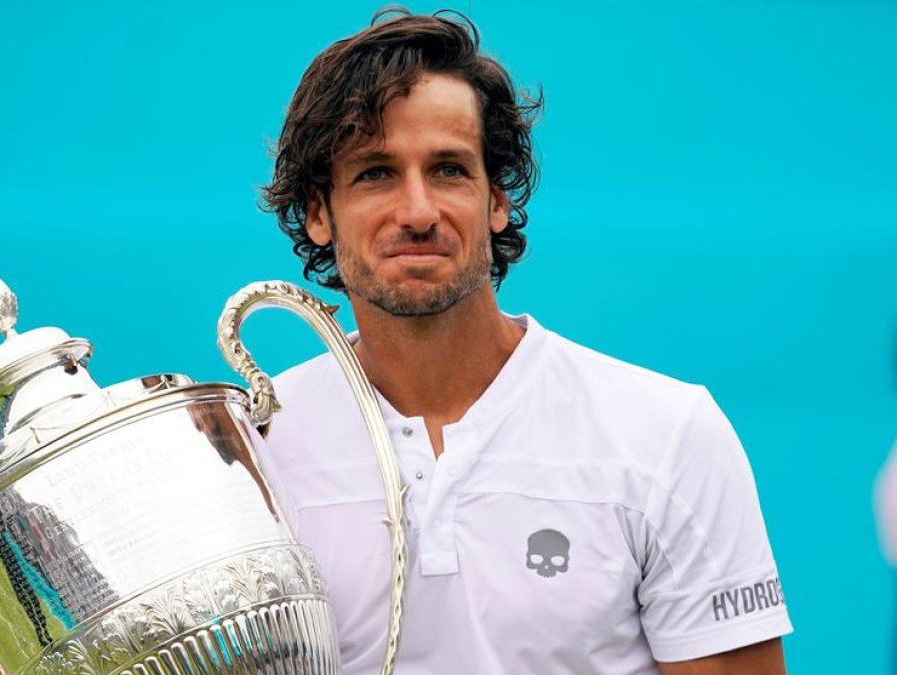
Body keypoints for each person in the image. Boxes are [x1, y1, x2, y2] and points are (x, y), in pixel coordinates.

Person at [257, 9, 792, 674]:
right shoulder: (252, 453)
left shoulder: (668, 433)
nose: (418, 211)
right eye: (375, 173)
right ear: (316, 211)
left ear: (497, 200)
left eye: (449, 169)